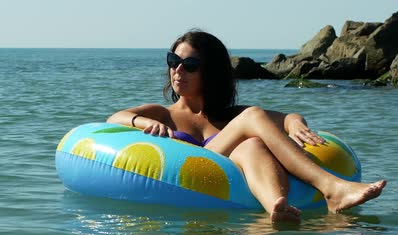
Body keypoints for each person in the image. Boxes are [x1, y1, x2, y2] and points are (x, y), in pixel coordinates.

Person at [107, 29, 386, 223]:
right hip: (193, 172)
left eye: (190, 65)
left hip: (232, 169)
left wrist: (297, 122)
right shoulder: (163, 113)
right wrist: (144, 122)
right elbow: (115, 118)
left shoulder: (231, 116)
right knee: (253, 117)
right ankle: (331, 187)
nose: (178, 70)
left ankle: (277, 209)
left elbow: (287, 117)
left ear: (211, 72)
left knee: (252, 143)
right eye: (174, 61)